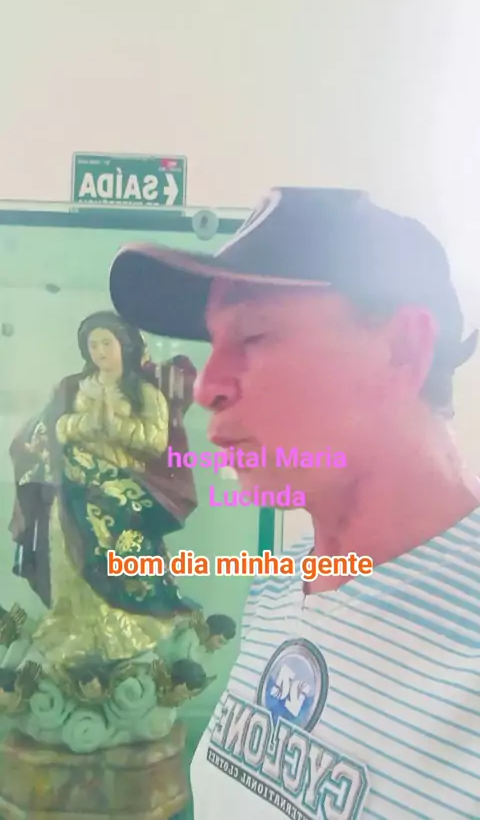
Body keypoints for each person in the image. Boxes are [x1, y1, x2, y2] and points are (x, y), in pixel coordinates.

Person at [110, 187, 480, 819]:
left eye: (254, 333)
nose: (206, 386)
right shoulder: (283, 580)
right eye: (212, 343)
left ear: (402, 351)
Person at [8, 310, 199, 666]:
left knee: (121, 562)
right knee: (68, 556)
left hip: (122, 494)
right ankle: (73, 627)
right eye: (93, 345)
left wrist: (112, 426)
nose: (99, 352)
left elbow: (155, 440)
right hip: (72, 489)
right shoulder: (73, 388)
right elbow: (48, 428)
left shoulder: (143, 392)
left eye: (106, 343)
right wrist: (80, 424)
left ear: (124, 346)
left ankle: (121, 630)